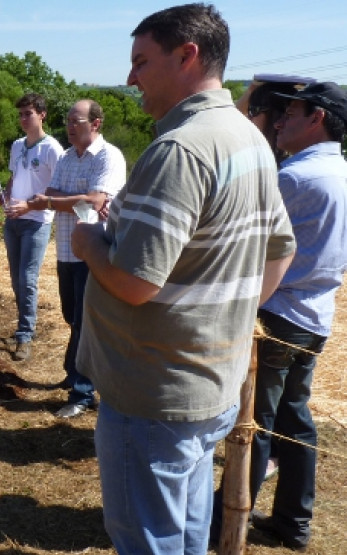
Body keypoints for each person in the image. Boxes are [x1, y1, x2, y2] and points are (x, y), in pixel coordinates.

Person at [69, 4, 296, 554]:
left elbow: (134, 282)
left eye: (141, 61)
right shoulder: (248, 139)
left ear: (186, 56)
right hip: (209, 382)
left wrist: (87, 244)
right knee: (188, 533)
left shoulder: (180, 149)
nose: (130, 78)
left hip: (154, 392)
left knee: (148, 540)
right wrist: (226, 321)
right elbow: (281, 249)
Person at [244, 82, 347, 551]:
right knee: (295, 419)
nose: (280, 120)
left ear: (318, 117)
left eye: (292, 112)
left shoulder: (294, 178)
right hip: (316, 314)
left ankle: (232, 512)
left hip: (277, 313)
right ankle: (294, 523)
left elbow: (248, 242)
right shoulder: (341, 172)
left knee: (256, 422)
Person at [32, 99, 126, 418]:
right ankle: (77, 372)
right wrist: (76, 200)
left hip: (95, 251)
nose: (70, 126)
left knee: (86, 321)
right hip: (65, 249)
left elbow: (98, 200)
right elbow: (59, 195)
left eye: (77, 121)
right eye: (69, 121)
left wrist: (56, 200)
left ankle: (83, 392)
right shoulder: (68, 157)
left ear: (95, 124)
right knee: (71, 317)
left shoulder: (109, 156)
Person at [0, 92, 64, 362]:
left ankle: (25, 335)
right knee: (16, 278)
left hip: (36, 222)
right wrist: (6, 194)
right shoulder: (17, 145)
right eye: (21, 114)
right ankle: (23, 326)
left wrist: (30, 206)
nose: (23, 119)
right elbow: (15, 177)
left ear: (42, 115)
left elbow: (57, 188)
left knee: (28, 278)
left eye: (29, 114)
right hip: (13, 219)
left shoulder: (52, 149)